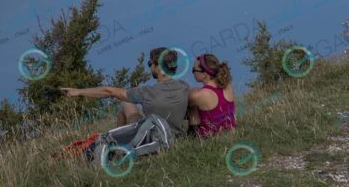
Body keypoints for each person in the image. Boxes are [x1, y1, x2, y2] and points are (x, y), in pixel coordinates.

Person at [61, 47, 189, 136]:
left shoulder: (147, 92)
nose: (150, 67)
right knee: (128, 104)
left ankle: (119, 144)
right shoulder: (184, 87)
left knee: (125, 104)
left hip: (151, 137)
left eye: (150, 63)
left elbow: (109, 91)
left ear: (158, 66)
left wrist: (77, 92)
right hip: (176, 137)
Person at [187, 53, 236, 138]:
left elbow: (185, 106)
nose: (193, 73)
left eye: (194, 70)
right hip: (231, 136)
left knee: (192, 108)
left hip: (209, 139)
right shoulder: (228, 86)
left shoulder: (199, 95)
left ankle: (192, 137)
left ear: (205, 74)